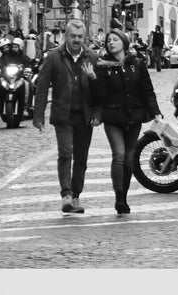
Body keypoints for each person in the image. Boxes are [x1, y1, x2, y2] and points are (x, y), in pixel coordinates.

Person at [32, 18, 101, 214]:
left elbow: (100, 91)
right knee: (65, 153)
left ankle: (76, 196)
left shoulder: (92, 57)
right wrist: (38, 117)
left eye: (80, 37)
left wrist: (97, 114)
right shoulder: (54, 57)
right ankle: (67, 195)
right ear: (65, 36)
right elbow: (42, 88)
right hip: (63, 115)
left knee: (81, 158)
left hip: (85, 116)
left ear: (84, 37)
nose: (76, 40)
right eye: (73, 36)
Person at [96, 28, 159, 216]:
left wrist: (156, 112)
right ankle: (118, 198)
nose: (111, 42)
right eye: (109, 40)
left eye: (115, 39)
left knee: (129, 159)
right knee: (119, 155)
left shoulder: (137, 64)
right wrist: (93, 78)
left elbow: (147, 90)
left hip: (134, 116)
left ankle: (124, 196)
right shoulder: (103, 67)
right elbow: (100, 95)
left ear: (124, 42)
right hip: (113, 117)